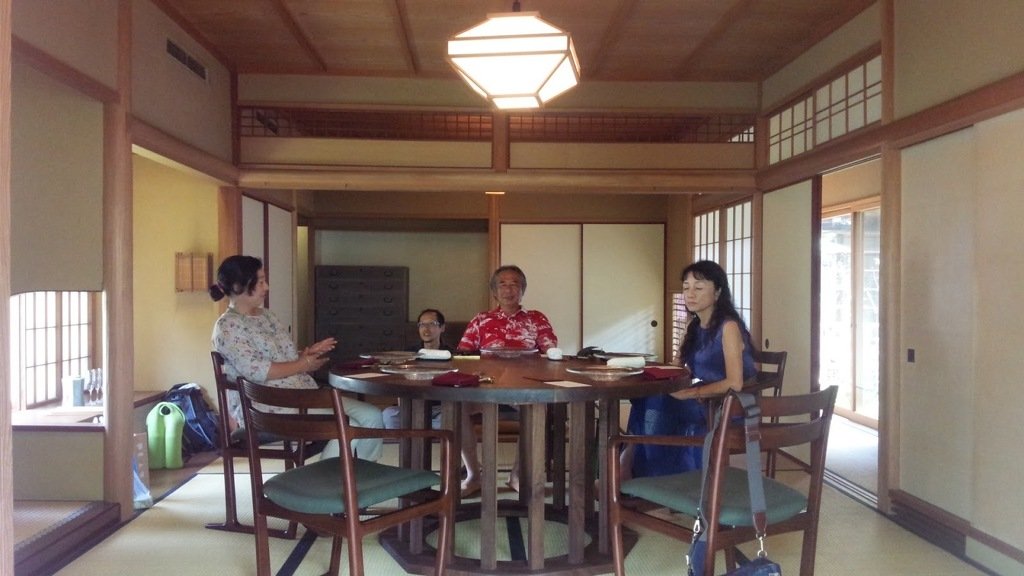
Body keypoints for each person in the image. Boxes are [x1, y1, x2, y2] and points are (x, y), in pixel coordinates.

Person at [209, 255, 384, 462]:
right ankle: (329, 485)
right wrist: (303, 364)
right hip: (267, 404)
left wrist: (306, 355)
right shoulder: (228, 326)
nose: (267, 286)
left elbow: (286, 358)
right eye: (261, 281)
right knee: (350, 423)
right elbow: (258, 370)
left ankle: (357, 478)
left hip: (302, 396)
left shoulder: (268, 316)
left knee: (373, 416)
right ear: (239, 286)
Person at [621, 260, 755, 480]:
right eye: (686, 287)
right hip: (707, 397)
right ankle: (637, 467)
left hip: (731, 405)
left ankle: (651, 475)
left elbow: (735, 383)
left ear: (718, 292)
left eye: (699, 288)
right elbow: (677, 368)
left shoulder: (728, 327)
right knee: (646, 397)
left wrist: (691, 393)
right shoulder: (693, 325)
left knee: (659, 404)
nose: (690, 294)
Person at [457, 265, 558, 494]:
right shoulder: (481, 319)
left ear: (522, 290)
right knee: (456, 408)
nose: (509, 289)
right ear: (495, 291)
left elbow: (550, 352)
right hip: (485, 386)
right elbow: (463, 355)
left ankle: (517, 476)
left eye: (515, 284)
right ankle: (473, 475)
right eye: (503, 284)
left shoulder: (536, 318)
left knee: (536, 409)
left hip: (524, 385)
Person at [382, 308, 453, 429]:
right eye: (422, 325)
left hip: (440, 407)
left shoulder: (451, 354)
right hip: (413, 405)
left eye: (432, 324)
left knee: (448, 419)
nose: (426, 329)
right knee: (388, 415)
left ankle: (419, 429)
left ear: (442, 328)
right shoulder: (409, 354)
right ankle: (414, 436)